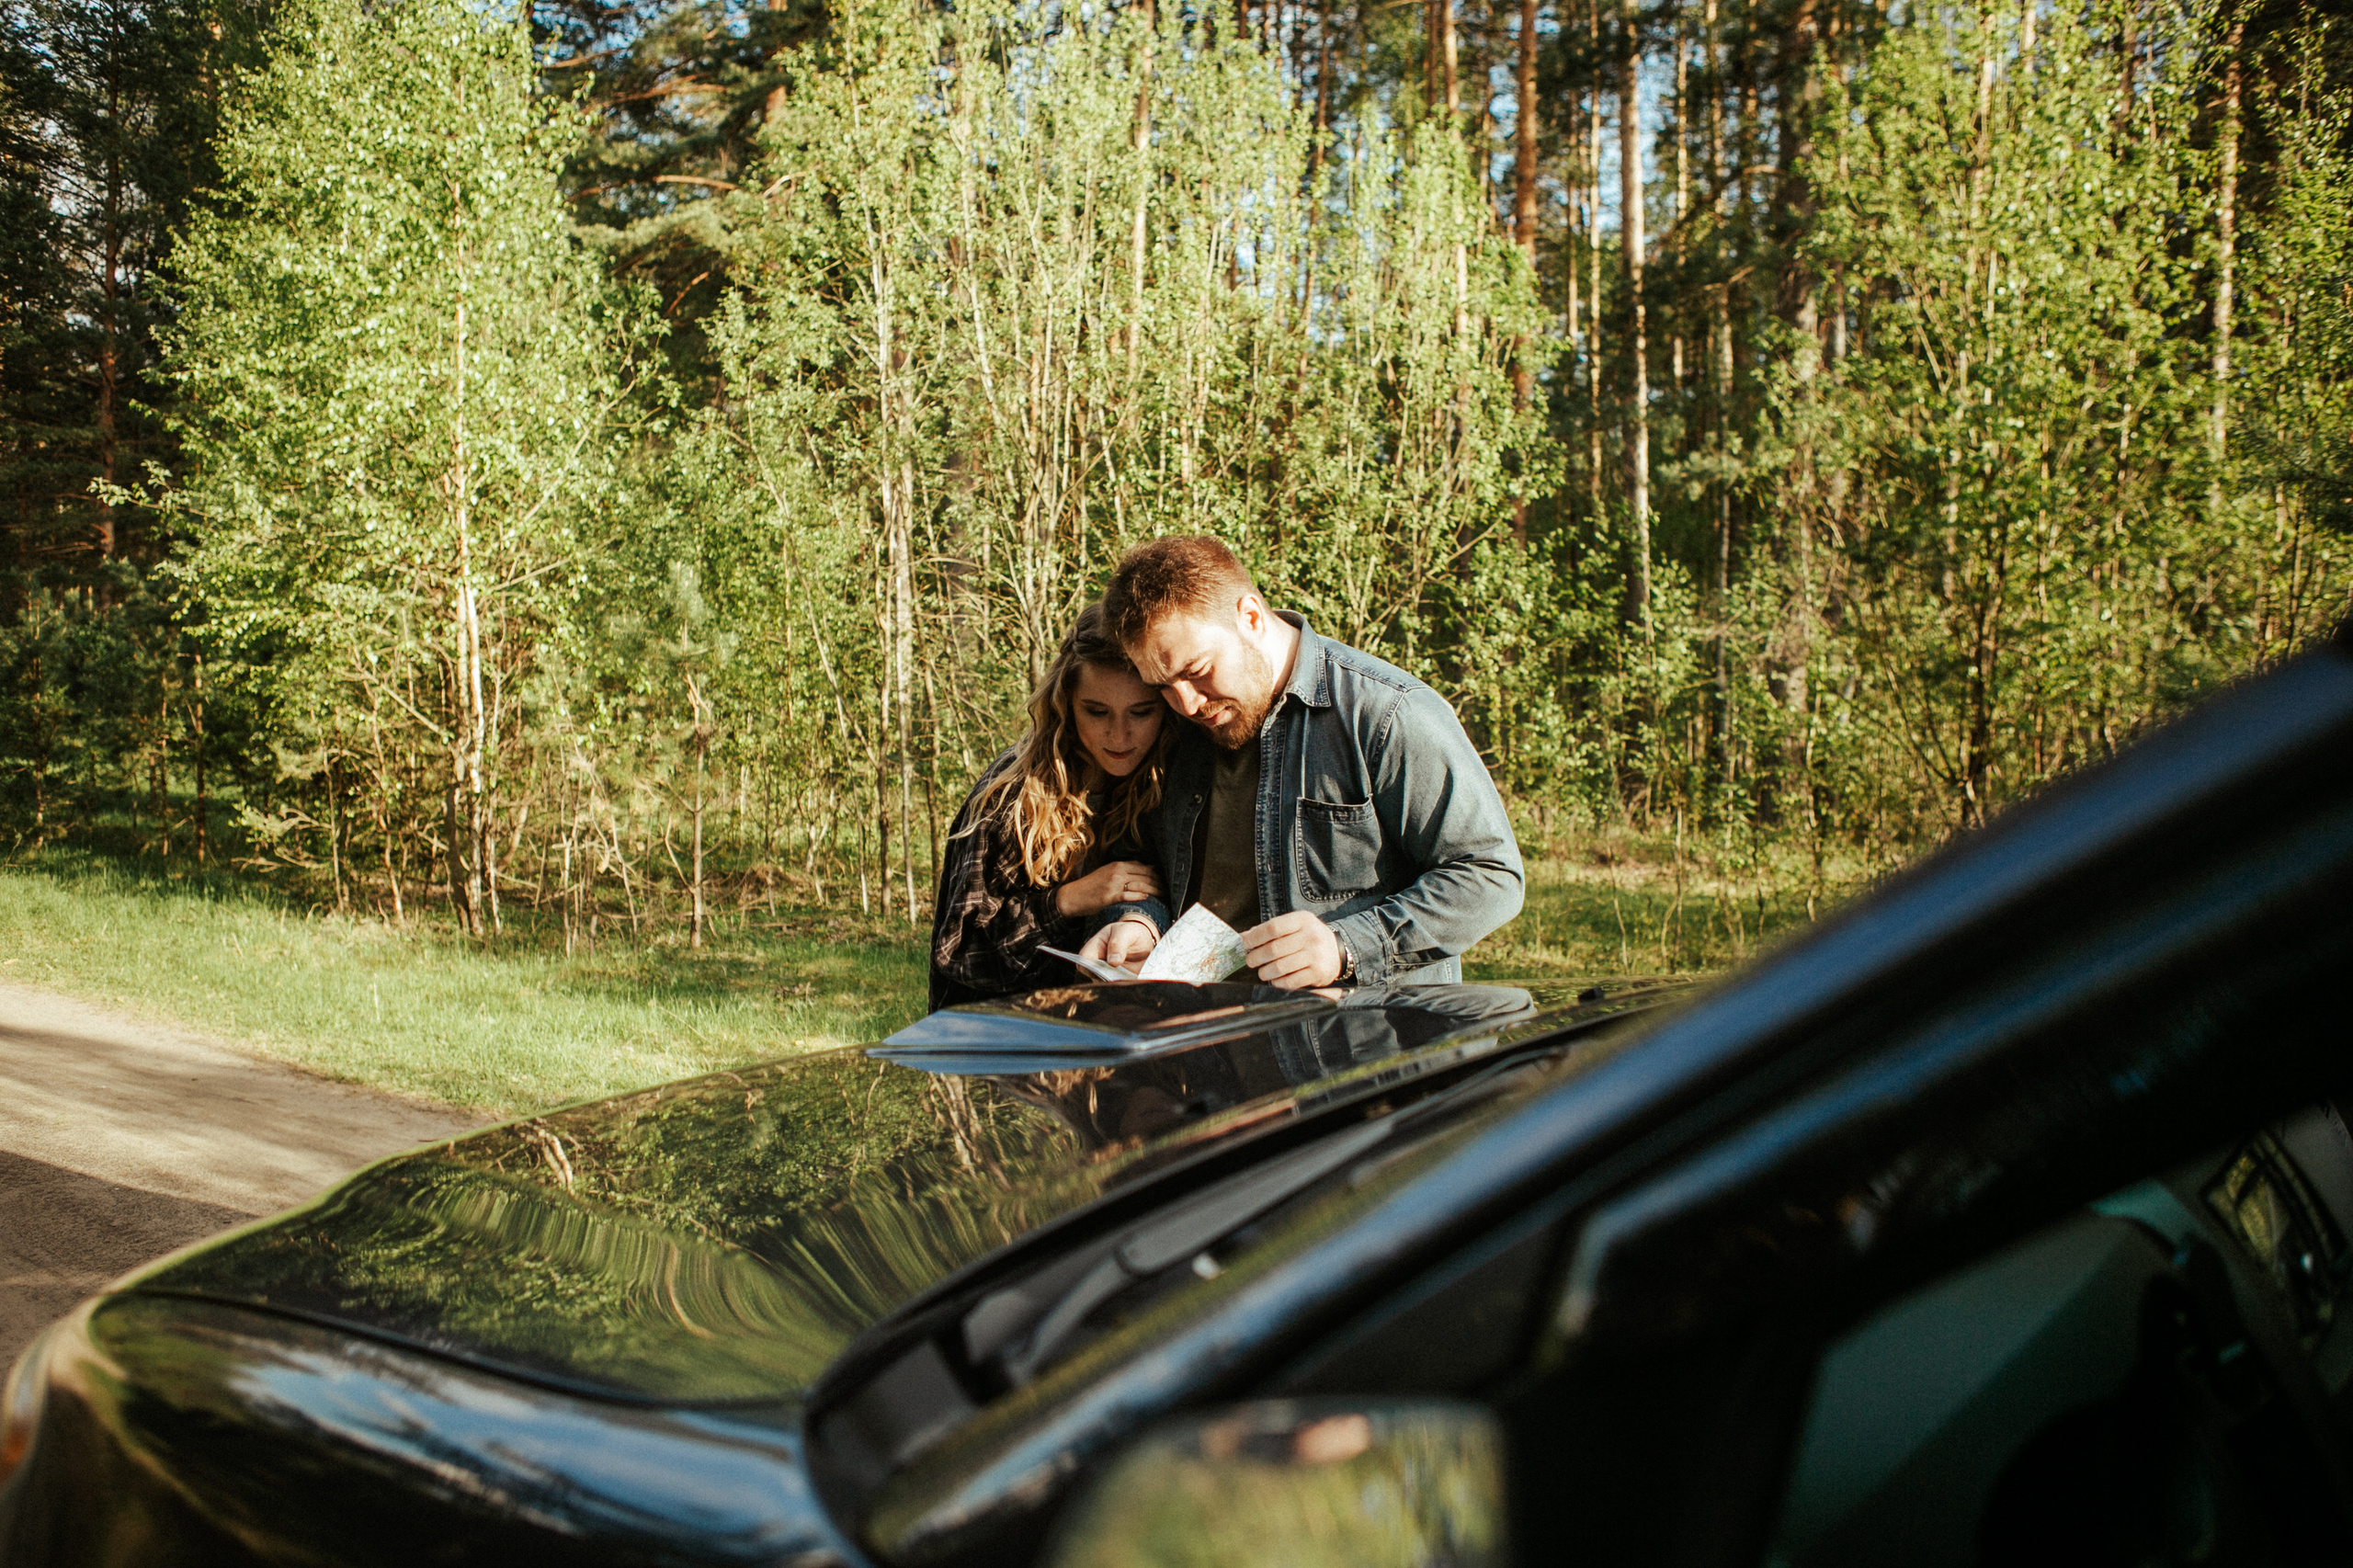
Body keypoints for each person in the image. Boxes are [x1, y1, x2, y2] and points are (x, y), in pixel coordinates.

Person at [1079, 536, 1523, 989]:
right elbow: (1146, 862)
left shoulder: (1386, 714)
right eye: (1164, 686)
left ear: (1250, 617)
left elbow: (1491, 874)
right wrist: (1139, 922)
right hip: (1201, 1040)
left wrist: (1345, 947)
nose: (1187, 703)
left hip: (1363, 1045)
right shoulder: (1177, 728)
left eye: (1197, 671)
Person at [928, 603, 1173, 1011]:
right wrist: (1069, 900)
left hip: (1101, 1043)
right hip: (998, 1043)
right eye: (1096, 712)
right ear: (1065, 704)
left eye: (1141, 712)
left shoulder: (1164, 783)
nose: (1119, 735)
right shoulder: (1011, 795)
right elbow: (959, 953)